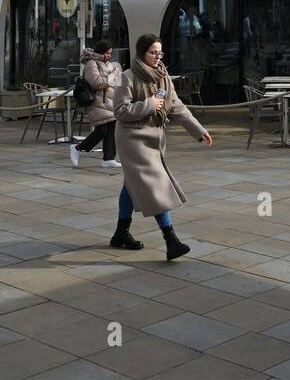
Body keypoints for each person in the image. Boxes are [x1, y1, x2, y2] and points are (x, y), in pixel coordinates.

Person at [109, 33, 212, 259]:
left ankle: (120, 233)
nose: (157, 57)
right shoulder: (128, 77)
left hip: (154, 139)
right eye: (152, 52)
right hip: (132, 138)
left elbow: (177, 107)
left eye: (160, 52)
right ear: (141, 53)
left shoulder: (163, 77)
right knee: (155, 185)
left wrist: (199, 130)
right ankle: (171, 240)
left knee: (131, 184)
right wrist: (149, 104)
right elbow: (119, 111)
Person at [72, 39, 122, 169]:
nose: (109, 56)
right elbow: (97, 83)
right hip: (97, 102)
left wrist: (117, 76)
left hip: (110, 102)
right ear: (100, 52)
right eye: (107, 53)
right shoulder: (91, 63)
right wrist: (112, 77)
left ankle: (108, 159)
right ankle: (78, 148)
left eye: (111, 53)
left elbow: (117, 83)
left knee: (110, 128)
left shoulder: (110, 64)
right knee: (102, 130)